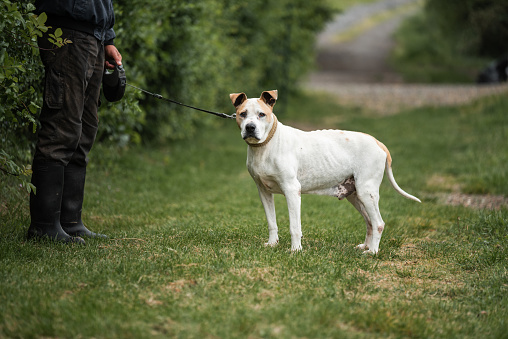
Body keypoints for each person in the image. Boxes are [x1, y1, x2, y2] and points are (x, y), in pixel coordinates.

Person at [27, 0, 123, 244]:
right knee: (61, 127)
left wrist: (107, 39)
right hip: (66, 32)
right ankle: (44, 226)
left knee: (84, 131)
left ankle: (71, 222)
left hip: (93, 36)